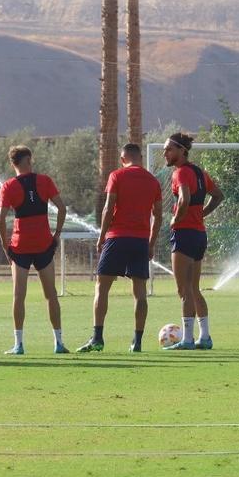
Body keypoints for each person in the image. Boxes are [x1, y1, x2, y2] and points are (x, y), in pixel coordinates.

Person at [77, 143, 163, 354]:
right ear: (140, 158)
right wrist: (151, 243)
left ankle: (97, 338)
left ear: (123, 159)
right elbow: (159, 216)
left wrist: (102, 236)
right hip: (140, 240)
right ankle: (137, 342)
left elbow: (108, 208)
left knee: (102, 287)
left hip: (117, 237)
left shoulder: (117, 175)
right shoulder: (153, 181)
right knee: (140, 293)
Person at [0, 146, 69, 355]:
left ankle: (18, 345)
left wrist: (4, 244)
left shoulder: (9, 186)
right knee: (51, 294)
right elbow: (62, 208)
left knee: (18, 296)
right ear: (29, 159)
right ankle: (59, 343)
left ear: (13, 164)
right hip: (44, 244)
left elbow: (0, 219)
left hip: (20, 246)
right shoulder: (44, 181)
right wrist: (57, 234)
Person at [161, 132, 223, 351]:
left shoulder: (181, 173)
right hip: (199, 235)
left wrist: (175, 219)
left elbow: (185, 199)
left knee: (183, 290)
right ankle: (204, 338)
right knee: (194, 289)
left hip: (185, 234)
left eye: (169, 149)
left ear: (181, 151)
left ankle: (187, 340)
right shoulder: (199, 172)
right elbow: (218, 195)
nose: (164, 153)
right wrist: (202, 215)